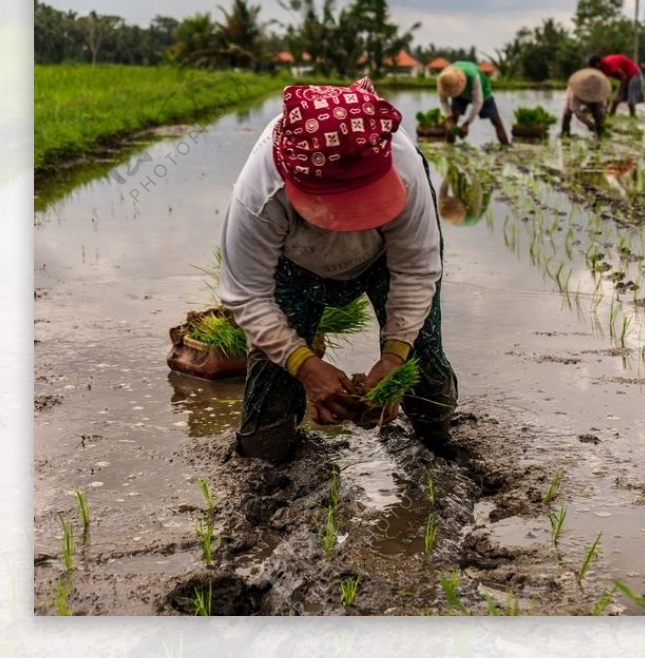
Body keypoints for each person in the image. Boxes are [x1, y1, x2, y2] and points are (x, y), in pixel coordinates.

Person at [219, 78, 459, 463]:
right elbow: (246, 294)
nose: (347, 224)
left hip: (383, 259)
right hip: (293, 268)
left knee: (423, 359)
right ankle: (266, 468)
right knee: (270, 395)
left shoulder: (405, 167)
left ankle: (442, 448)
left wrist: (394, 358)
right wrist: (306, 366)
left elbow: (416, 271)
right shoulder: (261, 191)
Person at [437, 61, 511, 147]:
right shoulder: (444, 79)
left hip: (482, 91)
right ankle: (449, 146)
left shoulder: (473, 76)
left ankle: (506, 145)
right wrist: (449, 118)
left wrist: (467, 123)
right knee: (453, 119)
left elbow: (478, 103)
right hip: (459, 95)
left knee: (496, 120)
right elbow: (443, 101)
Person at [561, 67, 612, 140]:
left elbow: (602, 109)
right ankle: (565, 132)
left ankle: (598, 133)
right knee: (567, 112)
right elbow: (577, 112)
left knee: (598, 114)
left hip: (595, 98)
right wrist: (589, 124)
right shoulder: (574, 92)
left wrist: (600, 123)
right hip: (576, 97)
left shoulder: (599, 90)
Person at [588, 53, 645, 117]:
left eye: (594, 67)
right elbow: (604, 83)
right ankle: (611, 115)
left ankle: (633, 116)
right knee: (615, 101)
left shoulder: (609, 63)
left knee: (630, 100)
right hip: (625, 77)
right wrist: (605, 98)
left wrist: (619, 94)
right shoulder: (602, 68)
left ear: (597, 63)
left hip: (633, 74)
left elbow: (623, 77)